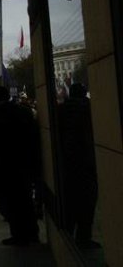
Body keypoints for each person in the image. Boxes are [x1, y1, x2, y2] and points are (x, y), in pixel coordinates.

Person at [0, 86, 40, 245]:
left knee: (10, 201)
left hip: (4, 164)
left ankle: (18, 234)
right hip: (24, 161)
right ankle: (32, 233)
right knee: (25, 199)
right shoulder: (24, 111)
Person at [59, 83, 100, 249]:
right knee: (87, 204)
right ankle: (84, 237)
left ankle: (67, 233)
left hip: (66, 165)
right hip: (87, 163)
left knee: (69, 202)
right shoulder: (90, 109)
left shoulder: (60, 110)